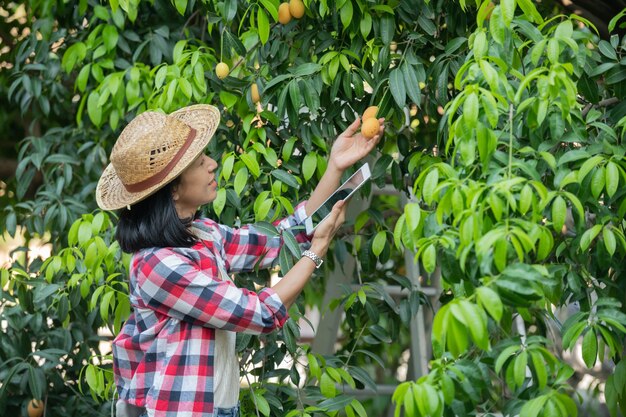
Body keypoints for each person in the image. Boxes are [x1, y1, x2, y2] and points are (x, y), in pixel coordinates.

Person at [95, 104, 384, 417]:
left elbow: (285, 238)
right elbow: (259, 314)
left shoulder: (203, 234)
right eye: (200, 161)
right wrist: (316, 252)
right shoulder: (155, 265)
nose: (212, 164)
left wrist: (335, 168)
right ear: (173, 189)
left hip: (220, 408)